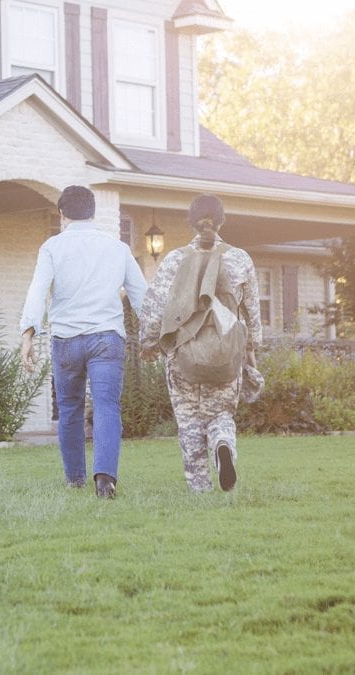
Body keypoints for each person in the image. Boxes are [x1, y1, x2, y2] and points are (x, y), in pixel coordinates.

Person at [20, 185, 148, 499]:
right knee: (107, 407)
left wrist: (28, 335)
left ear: (62, 213)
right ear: (93, 211)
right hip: (106, 338)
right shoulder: (117, 248)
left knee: (69, 409)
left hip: (66, 340)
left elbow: (38, 290)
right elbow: (142, 295)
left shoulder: (52, 247)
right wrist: (156, 334)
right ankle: (105, 480)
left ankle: (75, 479)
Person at [139, 194, 262, 493]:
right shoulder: (240, 259)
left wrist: (148, 344)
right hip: (225, 352)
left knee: (189, 421)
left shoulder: (174, 260)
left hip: (184, 354)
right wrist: (251, 351)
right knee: (221, 414)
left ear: (191, 223)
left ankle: (200, 488)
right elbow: (252, 312)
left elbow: (154, 309)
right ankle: (222, 445)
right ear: (221, 221)